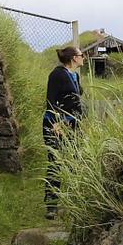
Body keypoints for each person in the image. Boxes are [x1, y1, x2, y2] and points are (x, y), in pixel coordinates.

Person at [43, 45, 85, 219]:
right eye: (82, 55)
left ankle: (74, 203)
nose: (84, 57)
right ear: (74, 58)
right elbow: (51, 100)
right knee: (56, 163)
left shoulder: (74, 75)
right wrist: (57, 123)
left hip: (73, 126)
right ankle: (51, 205)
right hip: (56, 126)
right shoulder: (57, 74)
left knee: (74, 162)